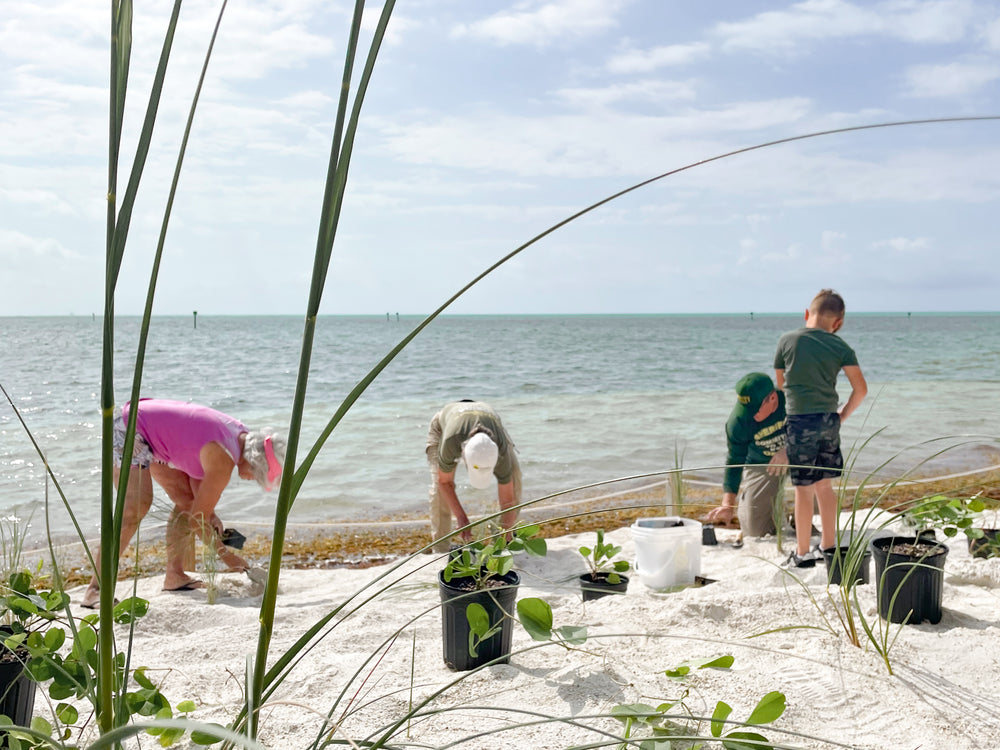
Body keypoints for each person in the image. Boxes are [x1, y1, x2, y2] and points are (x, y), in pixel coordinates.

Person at [81, 399, 286, 607]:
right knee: (136, 506)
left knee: (185, 503)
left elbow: (196, 485)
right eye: (257, 476)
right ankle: (96, 589)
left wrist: (210, 514)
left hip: (155, 436)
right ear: (253, 462)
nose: (253, 480)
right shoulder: (223, 459)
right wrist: (230, 559)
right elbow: (198, 520)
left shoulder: (241, 436)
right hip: (131, 426)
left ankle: (175, 575)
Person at [774, 289, 868, 568]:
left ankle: (803, 553)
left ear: (807, 314)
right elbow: (860, 390)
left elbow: (780, 384)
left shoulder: (786, 340)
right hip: (828, 420)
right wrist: (841, 417)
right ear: (837, 322)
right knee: (824, 487)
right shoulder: (840, 346)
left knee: (803, 489)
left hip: (800, 420)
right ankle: (828, 548)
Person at [425, 400, 521, 553]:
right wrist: (462, 518)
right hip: (445, 426)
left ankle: (504, 540)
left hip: (491, 424)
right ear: (463, 454)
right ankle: (440, 548)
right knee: (440, 490)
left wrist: (504, 543)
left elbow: (508, 500)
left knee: (514, 478)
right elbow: (445, 482)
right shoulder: (451, 442)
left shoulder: (500, 450)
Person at [705, 372, 788, 538]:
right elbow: (734, 461)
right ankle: (780, 519)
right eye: (746, 410)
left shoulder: (792, 400)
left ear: (772, 398)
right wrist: (727, 504)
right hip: (763, 463)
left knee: (818, 486)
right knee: (753, 530)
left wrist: (789, 450)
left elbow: (817, 427)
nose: (751, 415)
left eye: (755, 409)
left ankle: (803, 519)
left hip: (800, 453)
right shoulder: (738, 422)